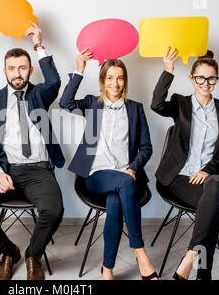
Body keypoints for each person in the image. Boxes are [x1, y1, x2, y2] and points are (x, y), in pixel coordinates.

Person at [0, 22, 64, 280]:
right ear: (4, 71)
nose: (17, 73)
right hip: (6, 169)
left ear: (29, 70)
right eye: (12, 68)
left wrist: (38, 44)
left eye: (22, 68)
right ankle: (8, 251)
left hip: (39, 170)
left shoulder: (40, 94)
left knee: (54, 210)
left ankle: (33, 255)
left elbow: (55, 80)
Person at [59, 49, 158, 280]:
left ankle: (107, 269)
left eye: (120, 77)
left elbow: (146, 147)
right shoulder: (93, 104)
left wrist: (133, 167)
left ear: (125, 81)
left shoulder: (135, 108)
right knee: (124, 182)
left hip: (125, 174)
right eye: (110, 77)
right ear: (103, 80)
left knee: (115, 204)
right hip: (95, 175)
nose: (115, 83)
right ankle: (140, 252)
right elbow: (65, 103)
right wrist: (79, 69)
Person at [151, 47, 219, 280]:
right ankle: (203, 272)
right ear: (191, 78)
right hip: (178, 178)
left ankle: (189, 257)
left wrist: (207, 170)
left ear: (216, 79)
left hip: (209, 178)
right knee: (215, 205)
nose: (205, 83)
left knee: (215, 184)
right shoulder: (181, 104)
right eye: (200, 78)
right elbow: (156, 104)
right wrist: (168, 70)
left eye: (211, 78)